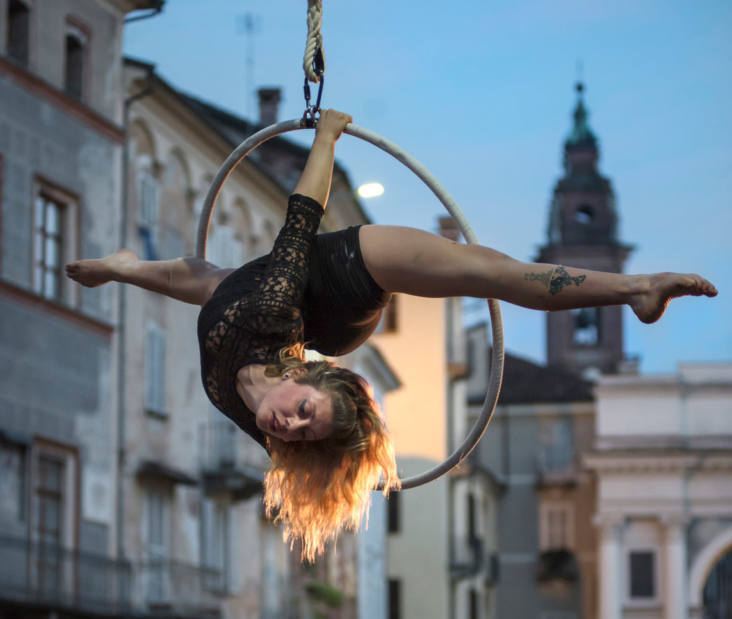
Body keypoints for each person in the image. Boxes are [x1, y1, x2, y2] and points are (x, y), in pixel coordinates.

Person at [67, 110, 716, 557]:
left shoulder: (263, 417)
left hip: (255, 302)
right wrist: (326, 136)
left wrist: (126, 272)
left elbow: (208, 287)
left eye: (300, 431)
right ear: (302, 375)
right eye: (303, 414)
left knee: (219, 286)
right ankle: (635, 288)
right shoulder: (271, 314)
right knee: (494, 274)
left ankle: (128, 269)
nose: (287, 426)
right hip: (346, 278)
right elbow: (301, 217)